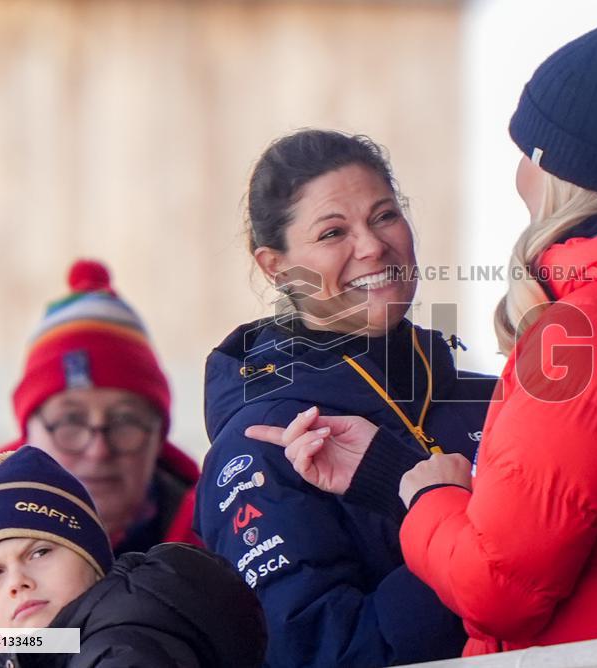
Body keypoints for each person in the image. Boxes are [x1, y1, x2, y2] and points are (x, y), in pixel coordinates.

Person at [250, 17, 597, 664]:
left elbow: (498, 586)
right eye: (331, 233)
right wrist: (400, 479)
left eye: (386, 214)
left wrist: (426, 496)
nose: (517, 171)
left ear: (553, 169)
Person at [194, 129, 496, 667]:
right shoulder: (265, 440)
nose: (373, 245)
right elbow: (321, 652)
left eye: (384, 215)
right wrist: (479, 535)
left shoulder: (490, 398)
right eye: (334, 232)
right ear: (276, 266)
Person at [0, 259, 202, 668]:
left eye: (125, 421)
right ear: (26, 433)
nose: (97, 449)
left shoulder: (221, 554)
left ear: (159, 435)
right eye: (69, 421)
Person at [0, 446, 265, 668]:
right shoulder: (55, 651)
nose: (17, 582)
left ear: (92, 556)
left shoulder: (124, 651)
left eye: (40, 552)